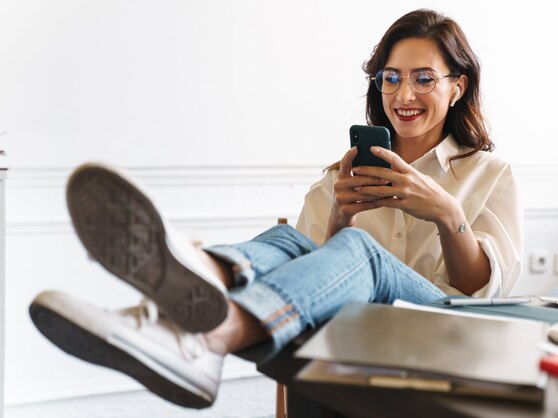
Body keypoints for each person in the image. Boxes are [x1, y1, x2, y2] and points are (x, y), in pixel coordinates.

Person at [29, 8, 522, 409]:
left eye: (423, 79)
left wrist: (444, 212)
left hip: (445, 331)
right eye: (390, 77)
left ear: (457, 86)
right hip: (358, 329)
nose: (403, 94)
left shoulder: (489, 172)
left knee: (360, 249)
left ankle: (212, 339)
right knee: (292, 241)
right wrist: (338, 220)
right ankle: (192, 278)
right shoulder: (340, 177)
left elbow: (486, 289)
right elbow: (315, 275)